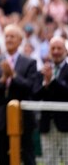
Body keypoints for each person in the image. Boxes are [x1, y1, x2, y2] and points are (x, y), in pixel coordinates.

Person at [0, 24, 38, 165]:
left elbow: (31, 88)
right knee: (3, 159)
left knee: (28, 156)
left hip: (23, 119)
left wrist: (13, 75)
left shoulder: (30, 62)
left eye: (12, 36)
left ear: (20, 40)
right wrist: (2, 80)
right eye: (6, 36)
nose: (9, 39)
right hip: (0, 119)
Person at [33, 36, 68, 165]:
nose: (56, 51)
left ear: (65, 51)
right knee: (49, 162)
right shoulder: (42, 72)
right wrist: (45, 83)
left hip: (66, 125)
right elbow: (35, 95)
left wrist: (52, 81)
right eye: (53, 48)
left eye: (59, 48)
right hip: (47, 125)